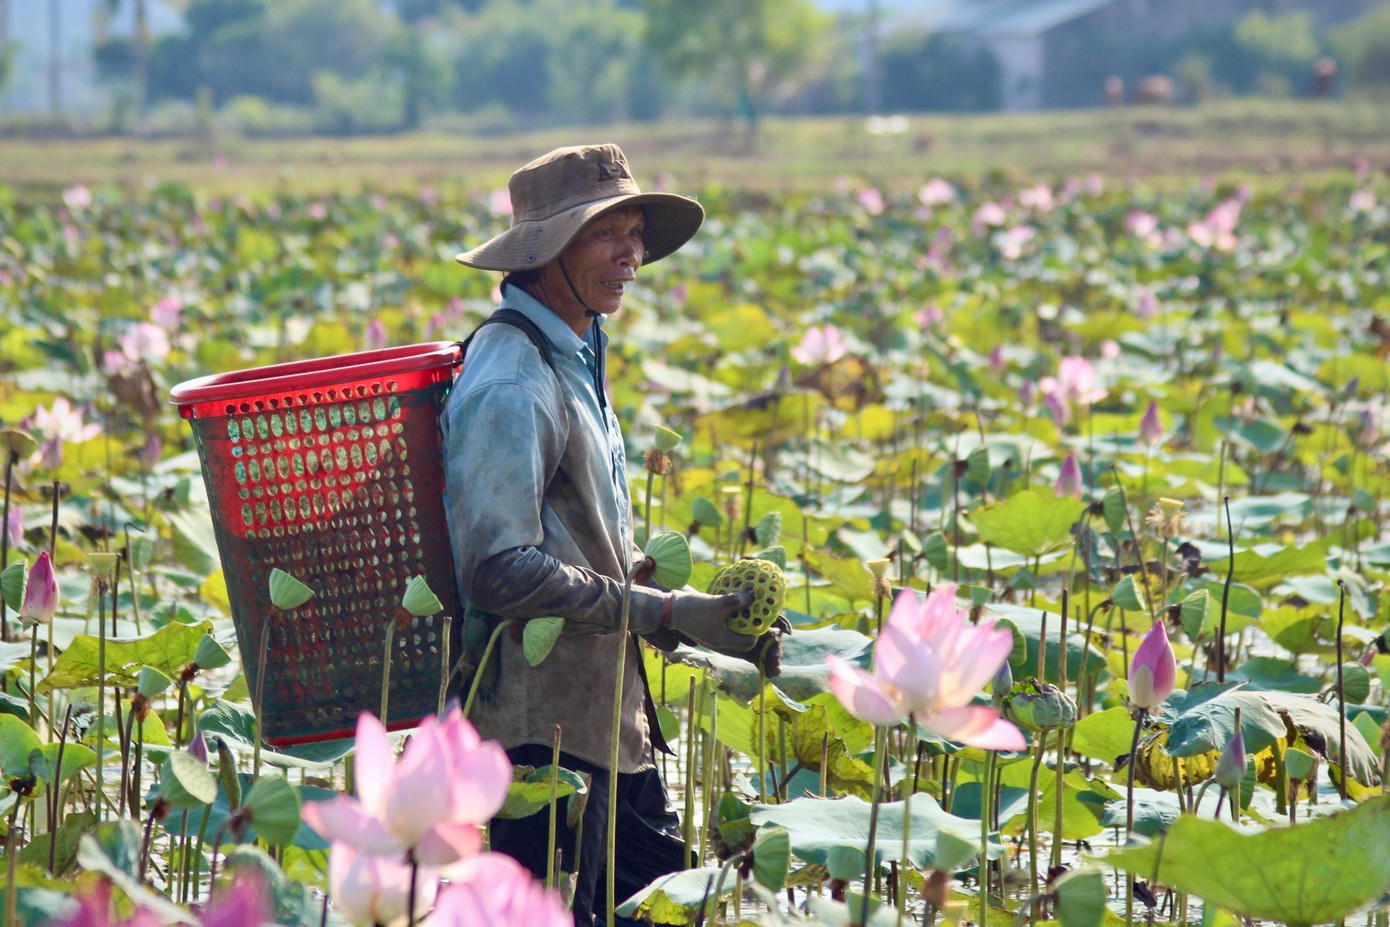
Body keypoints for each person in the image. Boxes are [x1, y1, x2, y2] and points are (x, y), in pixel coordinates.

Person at [442, 143, 782, 926]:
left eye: (635, 233)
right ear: (544, 253)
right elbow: (499, 568)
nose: (631, 255)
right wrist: (661, 613)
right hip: (540, 747)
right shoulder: (512, 379)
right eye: (606, 234)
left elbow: (583, 544)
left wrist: (699, 616)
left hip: (606, 724)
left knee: (676, 903)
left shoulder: (573, 351)